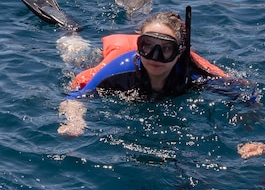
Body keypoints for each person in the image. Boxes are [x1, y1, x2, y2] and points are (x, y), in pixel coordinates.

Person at [57, 11, 254, 136]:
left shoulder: (193, 75)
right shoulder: (118, 71)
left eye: (165, 49)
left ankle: (136, 15)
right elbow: (75, 98)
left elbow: (244, 95)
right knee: (77, 60)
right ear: (139, 47)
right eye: (147, 46)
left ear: (179, 52)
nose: (155, 57)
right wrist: (75, 122)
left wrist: (247, 114)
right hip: (116, 54)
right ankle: (71, 33)